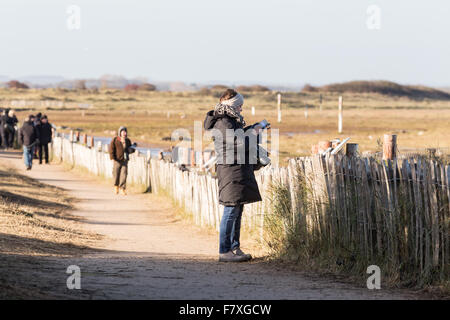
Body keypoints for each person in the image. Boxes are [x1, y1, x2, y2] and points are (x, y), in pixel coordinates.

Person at [203, 89, 263, 263]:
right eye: (239, 106)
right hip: (231, 170)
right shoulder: (224, 122)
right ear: (232, 106)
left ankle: (234, 247)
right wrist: (255, 132)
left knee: (237, 208)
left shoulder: (229, 120)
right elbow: (239, 143)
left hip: (236, 168)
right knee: (230, 209)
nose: (241, 110)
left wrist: (251, 129)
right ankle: (224, 250)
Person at [108, 127, 136, 195]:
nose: (124, 133)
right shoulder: (115, 140)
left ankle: (122, 188)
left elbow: (129, 149)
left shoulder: (128, 141)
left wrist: (132, 149)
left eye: (125, 132)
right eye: (123, 132)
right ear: (120, 132)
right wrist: (112, 157)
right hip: (117, 160)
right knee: (116, 173)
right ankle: (116, 186)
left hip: (125, 160)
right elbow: (111, 149)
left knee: (124, 174)